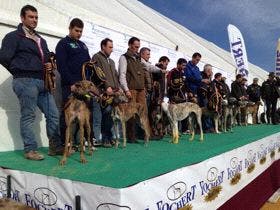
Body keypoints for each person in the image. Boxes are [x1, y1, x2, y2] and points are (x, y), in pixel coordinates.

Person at [0, 5, 63, 160]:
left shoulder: (41, 39)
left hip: (43, 82)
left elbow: (48, 57)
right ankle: (30, 150)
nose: (34, 20)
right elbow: (3, 57)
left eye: (36, 17)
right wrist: (19, 71)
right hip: (25, 81)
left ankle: (55, 147)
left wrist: (50, 64)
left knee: (53, 114)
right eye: (31, 17)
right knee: (28, 116)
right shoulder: (13, 37)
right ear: (22, 18)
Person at [55, 18, 91, 147]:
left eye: (81, 31)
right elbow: (61, 66)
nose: (79, 33)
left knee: (82, 116)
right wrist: (71, 83)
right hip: (69, 86)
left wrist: (87, 83)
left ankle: (78, 142)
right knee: (68, 117)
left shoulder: (83, 45)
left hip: (83, 87)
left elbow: (88, 64)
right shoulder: (63, 44)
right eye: (77, 30)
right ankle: (66, 143)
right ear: (70, 28)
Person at [118, 37, 148, 143]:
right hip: (131, 90)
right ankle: (131, 136)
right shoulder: (124, 57)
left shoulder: (139, 58)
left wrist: (161, 70)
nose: (137, 49)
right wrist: (126, 90)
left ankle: (144, 135)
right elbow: (122, 75)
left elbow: (148, 66)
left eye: (138, 47)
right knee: (131, 114)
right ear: (130, 45)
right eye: (135, 47)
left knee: (143, 113)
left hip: (141, 90)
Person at [92, 38, 119, 147]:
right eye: (110, 47)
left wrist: (118, 88)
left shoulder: (112, 61)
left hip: (112, 95)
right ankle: (97, 139)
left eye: (112, 47)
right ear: (103, 46)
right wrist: (106, 87)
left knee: (109, 117)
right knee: (99, 117)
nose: (112, 50)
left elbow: (116, 76)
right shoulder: (96, 57)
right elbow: (99, 74)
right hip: (100, 93)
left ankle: (107, 138)